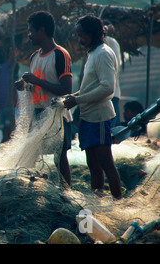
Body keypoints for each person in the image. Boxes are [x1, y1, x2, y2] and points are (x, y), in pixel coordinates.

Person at [63, 15, 122, 199]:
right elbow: (89, 88)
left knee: (106, 164)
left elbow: (107, 88)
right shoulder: (92, 54)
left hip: (100, 117)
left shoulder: (103, 53)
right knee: (93, 166)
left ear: (92, 33)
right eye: (78, 35)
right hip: (88, 118)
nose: (80, 40)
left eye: (82, 35)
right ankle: (98, 201)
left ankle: (118, 203)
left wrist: (78, 100)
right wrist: (74, 97)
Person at [15, 11, 73, 186]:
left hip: (56, 114)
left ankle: (67, 193)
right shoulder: (34, 57)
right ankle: (33, 191)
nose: (29, 35)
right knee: (31, 156)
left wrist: (36, 80)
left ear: (41, 30)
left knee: (59, 157)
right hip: (38, 114)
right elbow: (35, 87)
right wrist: (25, 86)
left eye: (31, 31)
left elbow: (66, 89)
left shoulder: (60, 54)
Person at [0, 51, 19, 143]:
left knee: (5, 132)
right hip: (9, 105)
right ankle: (5, 152)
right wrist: (13, 54)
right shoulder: (5, 67)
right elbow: (13, 61)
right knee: (10, 133)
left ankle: (4, 149)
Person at [103, 20, 122, 127]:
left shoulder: (110, 42)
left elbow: (115, 67)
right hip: (108, 93)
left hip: (110, 93)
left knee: (110, 131)